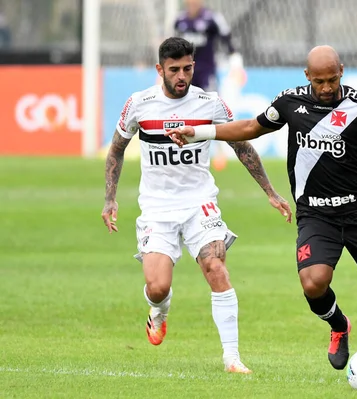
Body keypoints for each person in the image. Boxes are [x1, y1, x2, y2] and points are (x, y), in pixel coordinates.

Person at [167, 45, 357, 381]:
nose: (325, 87)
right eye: (319, 81)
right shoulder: (290, 103)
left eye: (332, 79)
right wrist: (199, 133)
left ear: (342, 71)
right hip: (316, 214)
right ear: (308, 76)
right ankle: (339, 325)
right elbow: (251, 127)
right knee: (313, 283)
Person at [101, 37, 292, 374]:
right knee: (158, 287)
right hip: (157, 208)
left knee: (215, 268)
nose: (181, 76)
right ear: (160, 69)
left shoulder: (210, 103)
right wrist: (110, 197)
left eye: (187, 68)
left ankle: (232, 357)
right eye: (174, 69)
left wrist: (271, 192)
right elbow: (116, 148)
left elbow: (242, 146)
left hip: (199, 203)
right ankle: (159, 311)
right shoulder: (139, 104)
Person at [174, 0, 244, 92]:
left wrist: (235, 61)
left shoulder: (212, 18)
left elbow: (227, 39)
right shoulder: (179, 20)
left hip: (207, 71)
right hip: (185, 71)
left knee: (210, 100)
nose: (193, 2)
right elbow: (171, 46)